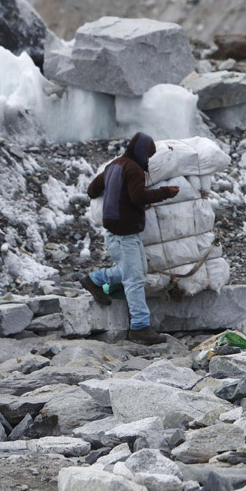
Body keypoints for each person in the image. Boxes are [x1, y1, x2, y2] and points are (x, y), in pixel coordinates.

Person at [80, 132, 178, 344]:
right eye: (148, 155)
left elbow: (91, 190)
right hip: (125, 233)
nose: (148, 160)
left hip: (115, 233)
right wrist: (166, 192)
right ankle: (140, 328)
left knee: (137, 272)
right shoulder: (134, 169)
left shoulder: (114, 166)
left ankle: (94, 280)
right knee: (134, 280)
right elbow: (138, 197)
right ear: (142, 152)